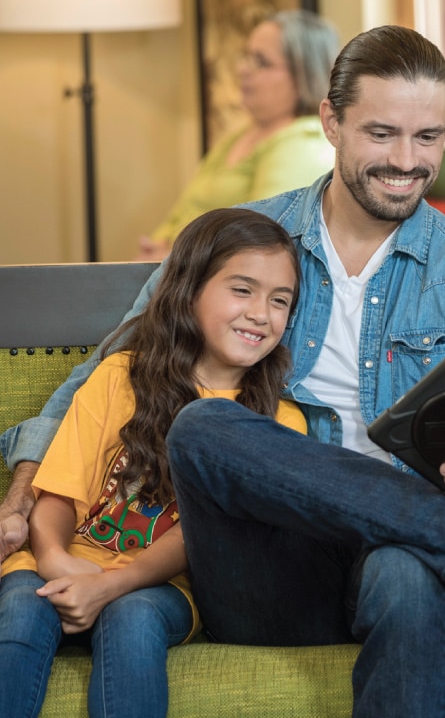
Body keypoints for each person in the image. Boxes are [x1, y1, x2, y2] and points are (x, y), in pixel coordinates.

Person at [0, 26, 445, 718]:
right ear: (331, 120)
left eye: (428, 138)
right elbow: (108, 370)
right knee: (204, 423)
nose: (407, 163)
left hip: (420, 564)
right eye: (382, 134)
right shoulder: (243, 240)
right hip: (271, 569)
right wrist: (26, 489)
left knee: (403, 567)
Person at [0, 207, 309, 718]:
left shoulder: (279, 421)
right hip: (62, 556)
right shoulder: (121, 375)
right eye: (242, 290)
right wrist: (54, 559)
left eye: (280, 301)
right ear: (189, 290)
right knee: (19, 607)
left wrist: (109, 584)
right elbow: (58, 492)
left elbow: (199, 538)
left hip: (168, 587)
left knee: (132, 619)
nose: (262, 313)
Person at [136, 9, 339, 260]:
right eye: (246, 57)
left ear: (303, 75)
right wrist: (158, 244)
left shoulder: (303, 143)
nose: (243, 69)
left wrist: (173, 255)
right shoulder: (238, 136)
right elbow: (183, 211)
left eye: (261, 62)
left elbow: (258, 236)